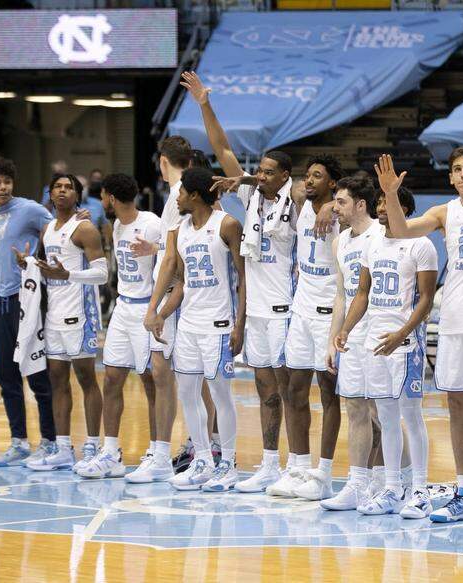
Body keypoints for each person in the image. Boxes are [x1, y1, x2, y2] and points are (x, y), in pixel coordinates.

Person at [182, 70, 304, 494]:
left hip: (287, 308)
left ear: (284, 175)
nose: (261, 175)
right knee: (265, 390)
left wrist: (252, 179)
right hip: (255, 311)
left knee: (290, 391)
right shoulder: (250, 198)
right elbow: (223, 149)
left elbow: (304, 189)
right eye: (260, 170)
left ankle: (297, 465)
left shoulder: (297, 201)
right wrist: (205, 104)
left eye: (270, 172)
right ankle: (270, 465)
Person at [376, 149, 463, 527]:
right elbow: (400, 230)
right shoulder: (444, 213)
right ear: (450, 178)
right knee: (456, 407)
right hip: (452, 321)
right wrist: (391, 194)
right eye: (457, 169)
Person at [335, 186, 436, 518]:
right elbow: (362, 292)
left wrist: (402, 333)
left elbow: (426, 298)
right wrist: (346, 328)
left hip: (405, 344)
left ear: (403, 209)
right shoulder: (373, 244)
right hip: (374, 343)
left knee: (411, 416)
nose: (380, 207)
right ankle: (393, 489)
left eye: (387, 202)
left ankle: (420, 491)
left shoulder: (421, 244)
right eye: (378, 201)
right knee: (387, 418)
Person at [146, 167, 246, 492]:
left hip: (218, 324)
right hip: (188, 324)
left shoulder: (227, 225)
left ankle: (228, 464)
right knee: (187, 393)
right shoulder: (179, 231)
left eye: (181, 192)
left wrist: (240, 324)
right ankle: (202, 461)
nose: (176, 197)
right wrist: (160, 313)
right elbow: (180, 282)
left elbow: (244, 279)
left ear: (195, 195)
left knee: (220, 394)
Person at [79, 173, 174, 479]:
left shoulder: (152, 223)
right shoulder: (118, 225)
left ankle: (156, 452)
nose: (100, 202)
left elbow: (174, 258)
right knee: (111, 378)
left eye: (102, 197)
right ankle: (111, 453)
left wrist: (154, 249)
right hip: (123, 307)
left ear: (111, 198)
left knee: (150, 382)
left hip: (148, 307)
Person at [22, 174, 107, 472]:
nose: (62, 191)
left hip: (80, 315)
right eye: (57, 186)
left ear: (77, 195)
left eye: (68, 187)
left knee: (86, 379)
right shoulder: (47, 229)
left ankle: (93, 446)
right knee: (57, 380)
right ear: (50, 193)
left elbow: (102, 274)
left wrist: (69, 275)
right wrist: (28, 265)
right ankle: (62, 448)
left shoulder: (85, 229)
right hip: (54, 316)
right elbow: (49, 268)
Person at [123, 136, 192, 480]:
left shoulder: (179, 196)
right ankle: (197, 449)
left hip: (172, 295)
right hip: (179, 294)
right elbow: (173, 248)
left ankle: (164, 455)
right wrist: (155, 248)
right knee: (188, 378)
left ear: (163, 161)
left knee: (166, 375)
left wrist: (154, 307)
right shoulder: (180, 194)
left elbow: (173, 259)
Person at [0, 157, 59, 468]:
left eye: (7, 182)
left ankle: (51, 441)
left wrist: (38, 261)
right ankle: (19, 442)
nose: (3, 187)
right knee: (6, 375)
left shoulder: (29, 209)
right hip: (2, 301)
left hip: (27, 300)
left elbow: (57, 231)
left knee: (37, 373)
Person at [320, 175, 386, 511]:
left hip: (379, 334)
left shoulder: (382, 235)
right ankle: (358, 484)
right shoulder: (339, 242)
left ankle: (399, 481)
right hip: (351, 336)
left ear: (361, 205)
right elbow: (341, 296)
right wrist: (332, 340)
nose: (335, 207)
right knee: (356, 408)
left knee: (383, 413)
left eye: (341, 201)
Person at [282, 155, 345, 501]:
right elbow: (291, 185)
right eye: (308, 175)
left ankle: (324, 474)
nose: (309, 180)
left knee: (328, 391)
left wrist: (333, 207)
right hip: (301, 307)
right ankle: (298, 468)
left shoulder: (341, 213)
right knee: (295, 388)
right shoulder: (302, 202)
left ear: (333, 183)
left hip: (328, 309)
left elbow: (359, 204)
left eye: (317, 176)